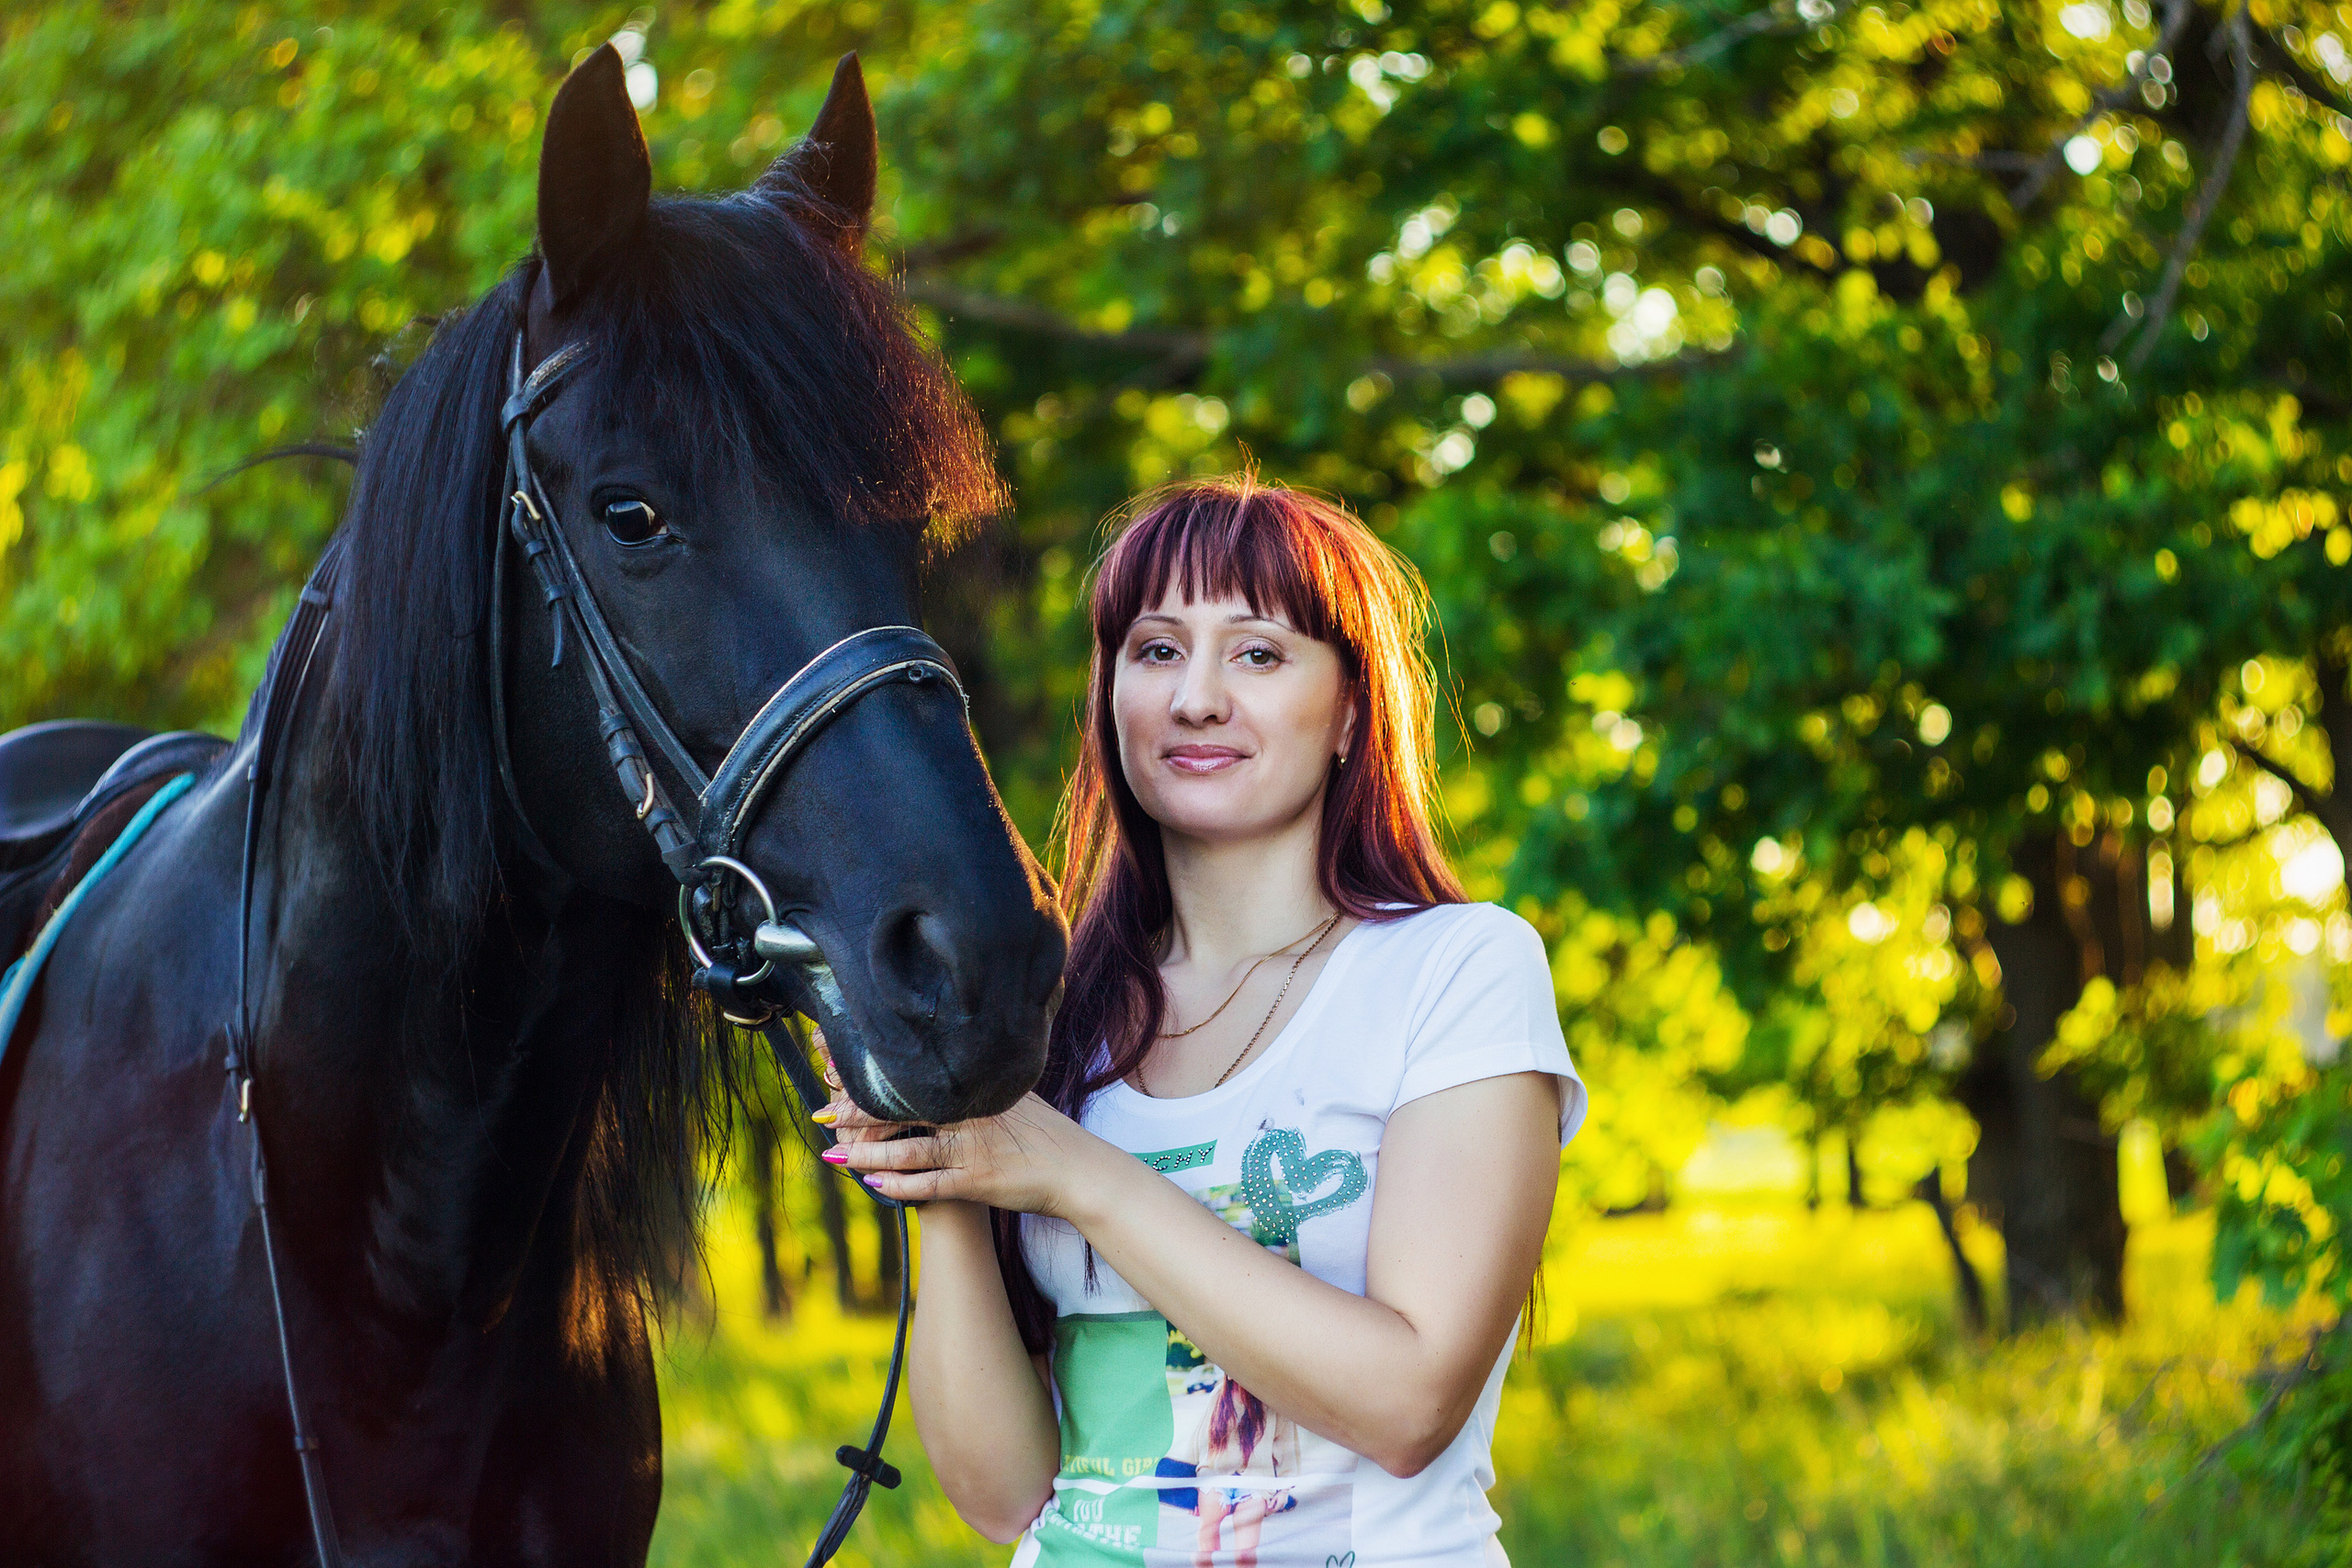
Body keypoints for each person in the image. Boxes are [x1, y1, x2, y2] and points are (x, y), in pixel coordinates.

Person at [818, 472, 1586, 1566]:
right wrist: (939, 1167)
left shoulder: (1455, 970)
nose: (1198, 698)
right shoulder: (1057, 1016)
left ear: (1353, 709)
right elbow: (1005, 1499)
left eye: (1259, 654)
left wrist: (1064, 1169)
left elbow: (1410, 1406)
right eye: (1158, 650)